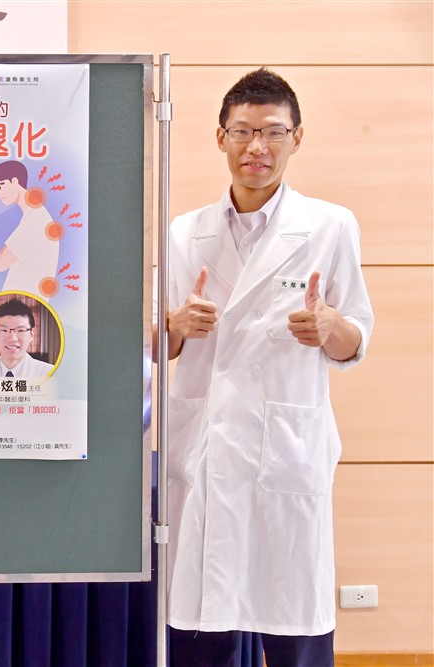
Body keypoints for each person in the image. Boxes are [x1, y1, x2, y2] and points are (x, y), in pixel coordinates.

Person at [157, 68, 374, 666]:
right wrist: (176, 324)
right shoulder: (184, 233)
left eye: (273, 132)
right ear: (220, 137)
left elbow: (355, 337)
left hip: (285, 449)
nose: (257, 146)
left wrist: (330, 327)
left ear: (297, 138)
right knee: (202, 623)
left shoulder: (330, 226)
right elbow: (156, 346)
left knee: (293, 618)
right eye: (243, 131)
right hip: (205, 451)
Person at [0, 160, 61, 300]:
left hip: (23, 305)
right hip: (22, 304)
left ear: (15, 181)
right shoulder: (35, 215)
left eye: (1, 186)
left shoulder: (35, 220)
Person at [0, 298, 54, 378]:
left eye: (20, 330)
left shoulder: (50, 374)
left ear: (31, 334)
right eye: (4, 330)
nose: (13, 338)